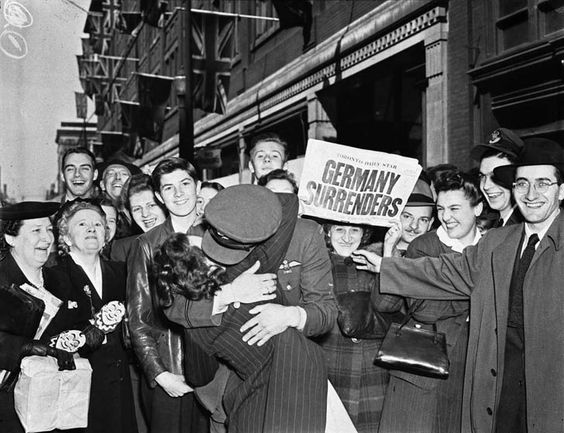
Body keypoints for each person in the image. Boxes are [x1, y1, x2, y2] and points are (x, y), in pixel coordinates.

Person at [352, 138, 564, 433]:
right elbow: (447, 272)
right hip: (496, 389)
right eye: (521, 184)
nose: (531, 194)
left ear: (561, 189)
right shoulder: (497, 242)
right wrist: (387, 265)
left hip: (549, 393)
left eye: (542, 184)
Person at [156, 185, 330, 433]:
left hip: (257, 386)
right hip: (293, 371)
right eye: (201, 243)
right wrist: (231, 218)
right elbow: (288, 203)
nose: (204, 235)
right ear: (201, 265)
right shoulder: (250, 268)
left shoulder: (196, 319)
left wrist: (224, 220)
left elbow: (197, 370)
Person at [126, 157, 277, 433]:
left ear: (197, 186)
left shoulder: (221, 234)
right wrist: (159, 374)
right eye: (169, 188)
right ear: (159, 196)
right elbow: (138, 318)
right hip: (172, 369)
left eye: (185, 184)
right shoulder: (147, 245)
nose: (179, 193)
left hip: (219, 370)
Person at [378, 169, 483, 433]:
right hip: (420, 372)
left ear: (478, 208)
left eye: (455, 208)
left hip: (470, 372)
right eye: (441, 209)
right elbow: (424, 309)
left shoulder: (492, 246)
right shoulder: (424, 246)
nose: (446, 217)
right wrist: (477, 295)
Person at [51, 199, 136, 433]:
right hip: (79, 388)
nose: (91, 229)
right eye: (82, 224)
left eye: (98, 225)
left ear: (106, 236)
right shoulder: (53, 278)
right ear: (66, 238)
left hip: (118, 384)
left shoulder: (122, 272)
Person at [0, 202, 77, 433]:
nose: (47, 238)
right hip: (8, 404)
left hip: (55, 400)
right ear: (10, 238)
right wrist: (25, 347)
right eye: (36, 230)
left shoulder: (60, 280)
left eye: (49, 230)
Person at [318, 222, 402, 433]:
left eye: (354, 230)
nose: (347, 237)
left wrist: (389, 254)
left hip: (371, 370)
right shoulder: (316, 262)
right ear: (328, 232)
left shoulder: (373, 261)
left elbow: (389, 305)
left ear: (364, 234)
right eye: (339, 230)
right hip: (329, 364)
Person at [471, 127, 524, 227]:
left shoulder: (527, 228)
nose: (486, 186)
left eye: (495, 176)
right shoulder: (492, 225)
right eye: (482, 176)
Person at [110, 174, 167, 263]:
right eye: (137, 209)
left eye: (151, 205)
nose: (145, 214)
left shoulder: (189, 234)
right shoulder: (123, 250)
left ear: (164, 204)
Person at [97, 159, 142, 240]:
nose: (118, 178)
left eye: (124, 174)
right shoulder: (95, 212)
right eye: (111, 174)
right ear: (102, 185)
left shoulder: (142, 211)